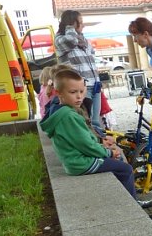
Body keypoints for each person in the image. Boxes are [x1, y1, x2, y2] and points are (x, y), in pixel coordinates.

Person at [40, 67, 135, 197]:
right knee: (126, 169)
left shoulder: (65, 111)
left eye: (81, 91)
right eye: (73, 92)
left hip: (76, 160)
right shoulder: (68, 116)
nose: (79, 97)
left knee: (118, 163)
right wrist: (108, 153)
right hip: (81, 163)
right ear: (59, 93)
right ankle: (131, 205)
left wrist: (99, 141)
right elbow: (86, 145)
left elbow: (83, 136)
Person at [54, 10, 102, 131]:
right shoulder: (60, 40)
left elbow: (91, 60)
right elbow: (71, 40)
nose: (83, 25)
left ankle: (98, 146)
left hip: (95, 85)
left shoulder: (84, 40)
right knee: (85, 122)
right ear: (72, 24)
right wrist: (70, 27)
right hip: (80, 88)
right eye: (80, 22)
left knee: (95, 121)